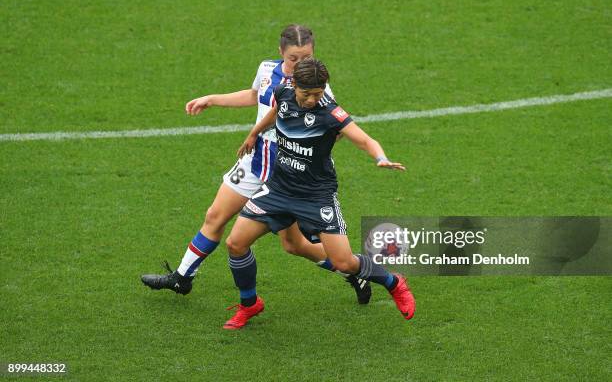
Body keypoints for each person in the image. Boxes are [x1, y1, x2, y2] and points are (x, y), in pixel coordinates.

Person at [141, 25, 371, 304]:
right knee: (215, 216)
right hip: (255, 160)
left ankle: (353, 271)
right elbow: (254, 96)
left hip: (289, 172)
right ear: (280, 53)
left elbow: (333, 131)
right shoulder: (266, 70)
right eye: (294, 59)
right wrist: (212, 99)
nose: (301, 64)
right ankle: (182, 277)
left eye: (307, 57)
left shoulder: (318, 89)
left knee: (294, 245)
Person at [223, 57, 415, 329]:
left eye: (319, 92)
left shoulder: (330, 112)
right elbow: (276, 112)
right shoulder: (283, 92)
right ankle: (250, 304)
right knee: (236, 243)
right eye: (307, 93)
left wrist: (380, 157)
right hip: (279, 188)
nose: (313, 99)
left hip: (316, 196)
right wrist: (254, 133)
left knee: (344, 262)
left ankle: (393, 282)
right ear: (294, 85)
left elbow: (363, 138)